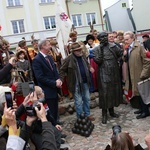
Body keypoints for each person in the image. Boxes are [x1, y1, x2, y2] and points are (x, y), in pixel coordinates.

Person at [59, 42, 95, 121]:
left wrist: (89, 67)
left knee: (87, 99)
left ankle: (87, 114)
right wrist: (61, 80)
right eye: (77, 50)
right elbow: (62, 70)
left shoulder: (83, 56)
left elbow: (87, 64)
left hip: (85, 81)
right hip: (75, 83)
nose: (80, 51)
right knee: (78, 101)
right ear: (73, 51)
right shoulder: (68, 59)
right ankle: (81, 118)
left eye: (80, 50)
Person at [93, 32, 123, 124]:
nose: (104, 38)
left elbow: (120, 54)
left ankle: (112, 111)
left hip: (113, 72)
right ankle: (104, 114)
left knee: (112, 92)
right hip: (103, 73)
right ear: (99, 39)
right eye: (102, 37)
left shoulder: (113, 46)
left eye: (105, 36)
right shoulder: (97, 49)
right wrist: (101, 50)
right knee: (105, 93)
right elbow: (98, 61)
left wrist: (117, 62)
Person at [32, 39, 62, 123]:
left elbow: (54, 71)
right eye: (48, 45)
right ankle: (54, 130)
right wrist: (54, 83)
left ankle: (56, 123)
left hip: (54, 88)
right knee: (50, 112)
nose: (50, 46)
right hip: (47, 90)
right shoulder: (37, 60)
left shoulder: (49, 57)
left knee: (55, 109)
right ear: (43, 46)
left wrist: (58, 79)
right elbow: (40, 77)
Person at [123, 31, 150, 119]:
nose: (125, 41)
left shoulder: (139, 47)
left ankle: (146, 111)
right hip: (132, 74)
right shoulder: (128, 48)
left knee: (142, 93)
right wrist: (124, 55)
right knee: (137, 92)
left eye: (127, 39)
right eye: (125, 39)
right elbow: (126, 60)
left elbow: (147, 61)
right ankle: (141, 109)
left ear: (132, 38)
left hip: (139, 74)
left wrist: (143, 74)